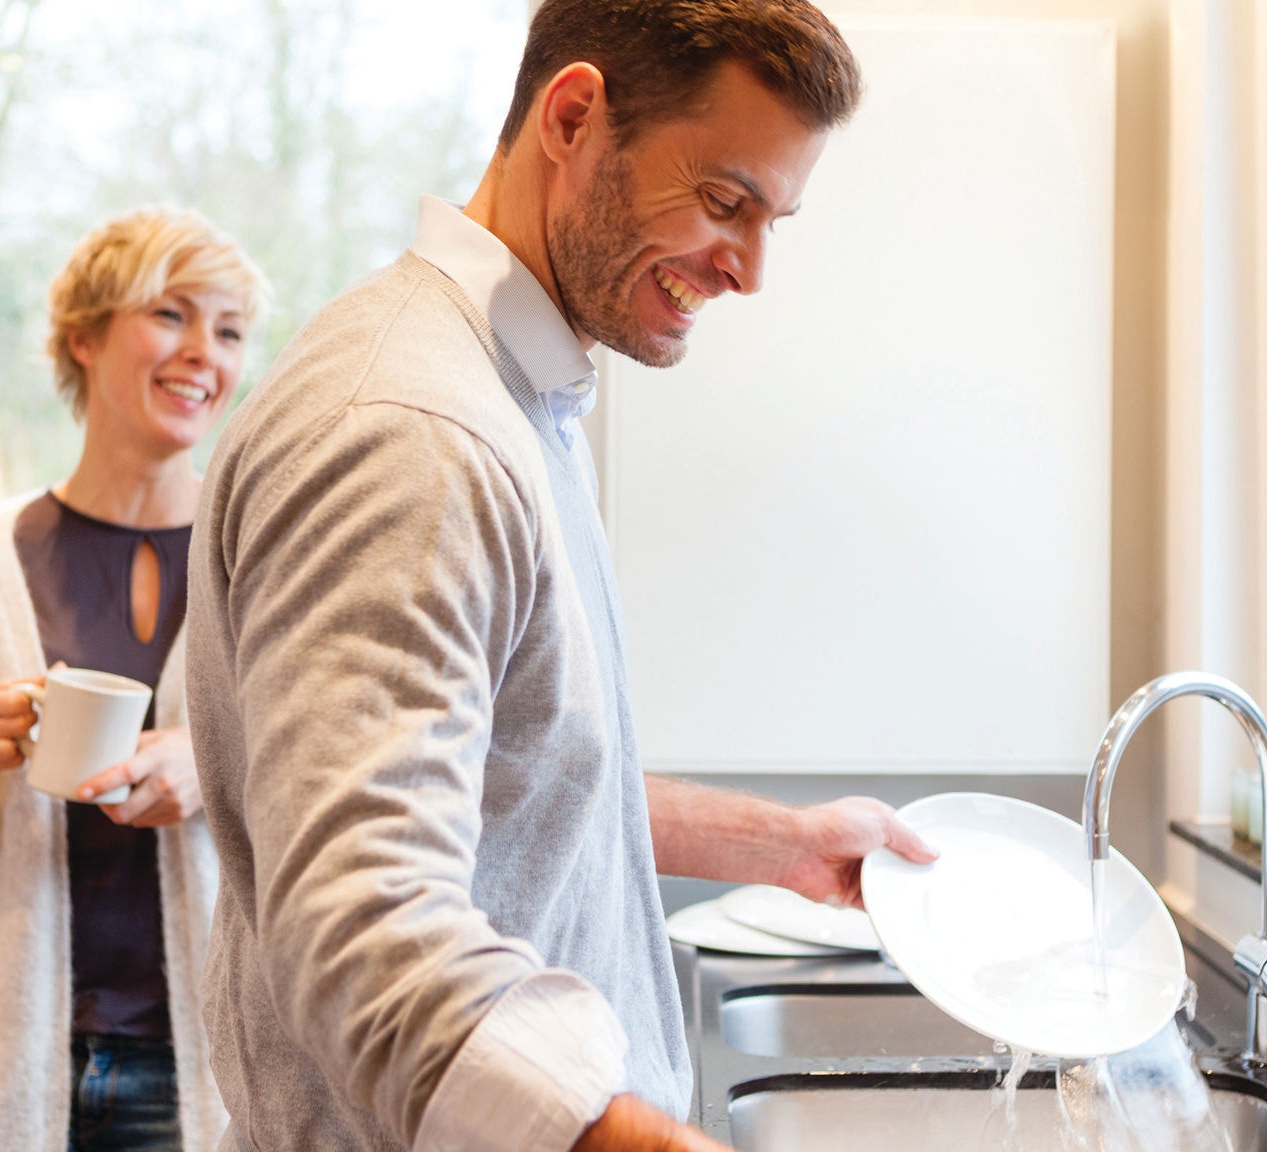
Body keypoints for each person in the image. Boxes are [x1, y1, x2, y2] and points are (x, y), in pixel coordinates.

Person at [184, 3, 931, 1151]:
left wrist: (773, 842)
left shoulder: (503, 397)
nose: (748, 271)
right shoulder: (411, 433)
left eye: (774, 219)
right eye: (725, 202)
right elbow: (367, 934)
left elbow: (499, 773)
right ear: (573, 117)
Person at [0, 209, 269, 1152]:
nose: (203, 352)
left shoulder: (268, 565)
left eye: (231, 329)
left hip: (203, 1078)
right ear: (82, 337)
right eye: (171, 313)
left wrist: (214, 764)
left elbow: (343, 795)